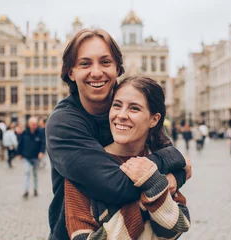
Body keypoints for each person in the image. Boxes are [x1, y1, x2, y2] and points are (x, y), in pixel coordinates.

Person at [46, 28, 190, 239]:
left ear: (117, 68)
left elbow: (177, 223)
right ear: (71, 72)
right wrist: (172, 165)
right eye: (85, 63)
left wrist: (175, 173)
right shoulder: (63, 124)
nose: (96, 72)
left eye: (105, 62)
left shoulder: (135, 106)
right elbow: (115, 186)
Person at [65, 77, 190, 239]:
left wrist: (155, 183)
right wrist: (150, 194)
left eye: (134, 108)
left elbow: (176, 229)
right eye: (117, 105)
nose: (122, 115)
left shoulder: (160, 164)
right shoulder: (83, 167)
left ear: (154, 119)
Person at [17, 117, 45, 198]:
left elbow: (43, 143)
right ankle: (26, 190)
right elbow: (20, 143)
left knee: (35, 173)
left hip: (36, 156)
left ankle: (35, 189)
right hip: (26, 156)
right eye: (33, 124)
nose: (34, 126)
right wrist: (19, 153)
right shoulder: (24, 132)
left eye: (35, 124)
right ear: (29, 124)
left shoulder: (40, 132)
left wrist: (41, 152)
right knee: (27, 172)